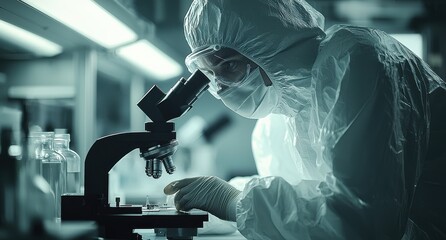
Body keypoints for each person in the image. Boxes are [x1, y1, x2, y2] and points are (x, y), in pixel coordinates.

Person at [163, 0, 446, 239]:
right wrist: (227, 203)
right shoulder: (275, 124)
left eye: (230, 66)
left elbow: (364, 221)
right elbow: (306, 205)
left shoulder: (356, 61)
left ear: (270, 45)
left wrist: (235, 202)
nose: (222, 87)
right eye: (213, 75)